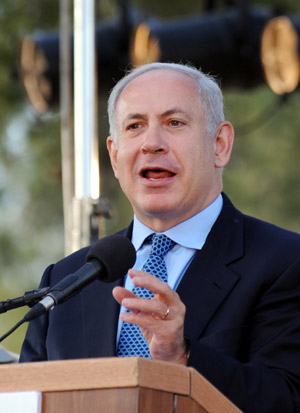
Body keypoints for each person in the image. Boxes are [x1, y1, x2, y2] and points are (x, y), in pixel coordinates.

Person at [20, 62, 300, 412]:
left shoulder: (286, 262)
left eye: (174, 123)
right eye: (135, 126)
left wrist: (182, 355)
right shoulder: (65, 281)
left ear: (220, 144)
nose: (152, 143)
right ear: (115, 153)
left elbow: (288, 400)